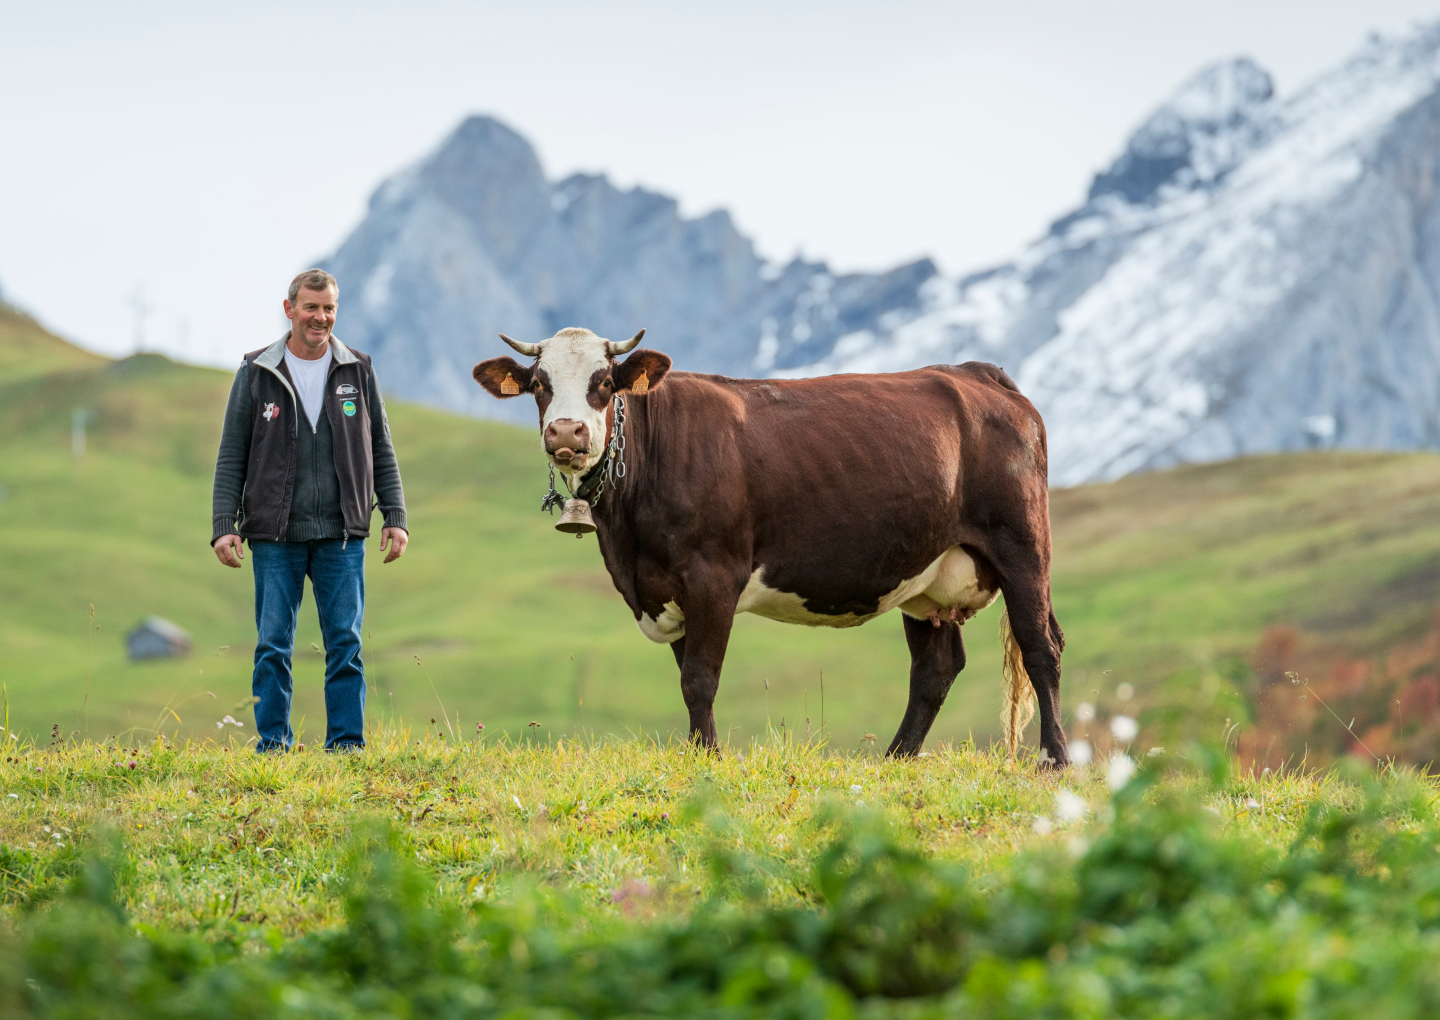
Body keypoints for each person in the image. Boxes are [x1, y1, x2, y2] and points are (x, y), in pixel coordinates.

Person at [210, 269, 408, 752]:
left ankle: (346, 746)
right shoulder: (257, 370)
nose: (321, 317)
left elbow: (380, 446)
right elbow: (232, 452)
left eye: (329, 308)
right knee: (273, 646)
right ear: (290, 309)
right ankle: (273, 746)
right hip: (274, 536)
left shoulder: (357, 369)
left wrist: (395, 516)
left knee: (346, 645)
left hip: (342, 534)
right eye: (311, 307)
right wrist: (223, 526)